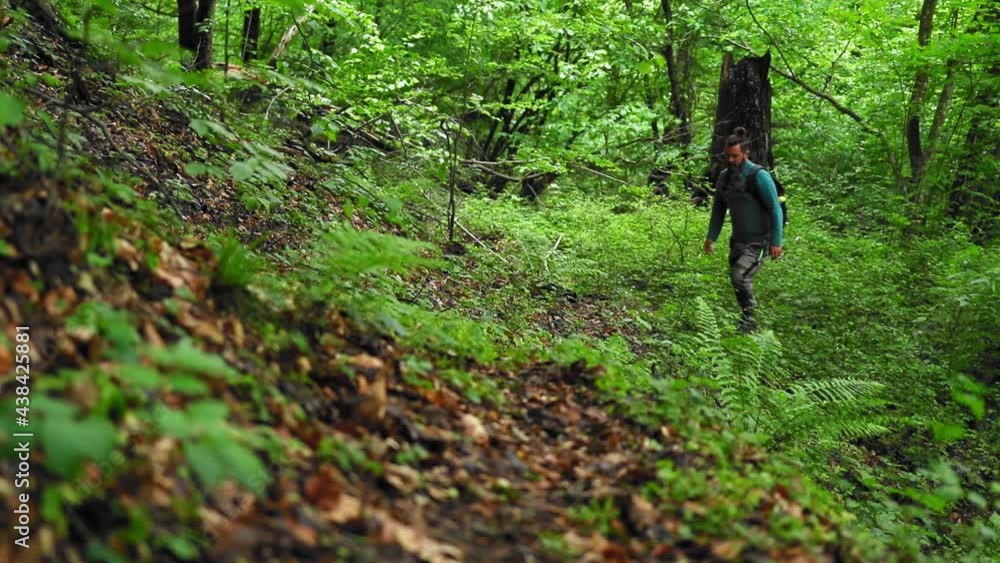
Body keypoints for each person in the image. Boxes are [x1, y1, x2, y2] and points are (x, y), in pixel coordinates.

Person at [704, 127, 783, 333]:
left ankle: (750, 321)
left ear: (746, 154)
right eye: (727, 156)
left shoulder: (759, 176)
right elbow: (719, 208)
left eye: (735, 156)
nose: (730, 160)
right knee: (736, 278)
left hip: (760, 241)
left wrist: (776, 241)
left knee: (740, 276)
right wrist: (711, 237)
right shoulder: (724, 177)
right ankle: (745, 319)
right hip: (737, 240)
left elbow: (775, 209)